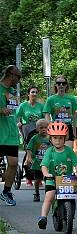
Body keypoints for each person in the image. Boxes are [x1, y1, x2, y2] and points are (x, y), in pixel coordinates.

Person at [36, 122, 77, 229]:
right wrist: (46, 174)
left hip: (66, 180)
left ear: (65, 138)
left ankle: (70, 214)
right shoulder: (50, 151)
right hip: (52, 179)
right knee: (49, 196)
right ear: (50, 139)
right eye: (55, 138)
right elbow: (44, 165)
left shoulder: (69, 151)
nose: (57, 141)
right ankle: (43, 217)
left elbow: (76, 162)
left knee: (72, 196)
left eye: (60, 138)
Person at [0, 65, 23, 206]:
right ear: (10, 74)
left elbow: (14, 110)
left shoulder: (13, 91)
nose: (19, 80)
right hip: (0, 132)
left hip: (11, 133)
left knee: (13, 163)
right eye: (18, 77)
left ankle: (6, 191)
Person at [43, 74, 77, 147]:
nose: (61, 85)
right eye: (59, 83)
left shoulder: (71, 99)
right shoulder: (51, 99)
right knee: (57, 152)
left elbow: (74, 115)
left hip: (68, 127)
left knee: (67, 152)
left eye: (63, 83)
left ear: (66, 85)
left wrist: (74, 130)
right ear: (56, 85)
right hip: (56, 128)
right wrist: (50, 128)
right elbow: (46, 114)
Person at [24, 119, 50, 202]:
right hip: (38, 162)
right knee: (37, 179)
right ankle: (36, 193)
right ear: (37, 129)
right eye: (41, 128)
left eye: (45, 127)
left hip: (48, 163)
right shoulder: (35, 138)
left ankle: (48, 194)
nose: (43, 129)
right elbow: (29, 148)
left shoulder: (51, 138)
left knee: (48, 179)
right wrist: (29, 157)